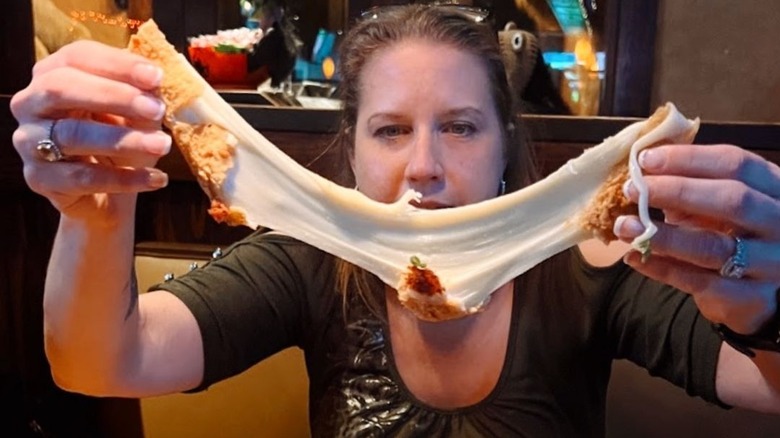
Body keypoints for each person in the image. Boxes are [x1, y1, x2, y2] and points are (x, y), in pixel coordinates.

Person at [9, 4, 780, 436]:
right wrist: (95, 207)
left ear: (505, 147)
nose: (424, 167)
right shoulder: (306, 261)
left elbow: (765, 387)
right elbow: (102, 363)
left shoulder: (593, 270)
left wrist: (768, 311)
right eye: (390, 130)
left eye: (461, 126)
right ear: (352, 150)